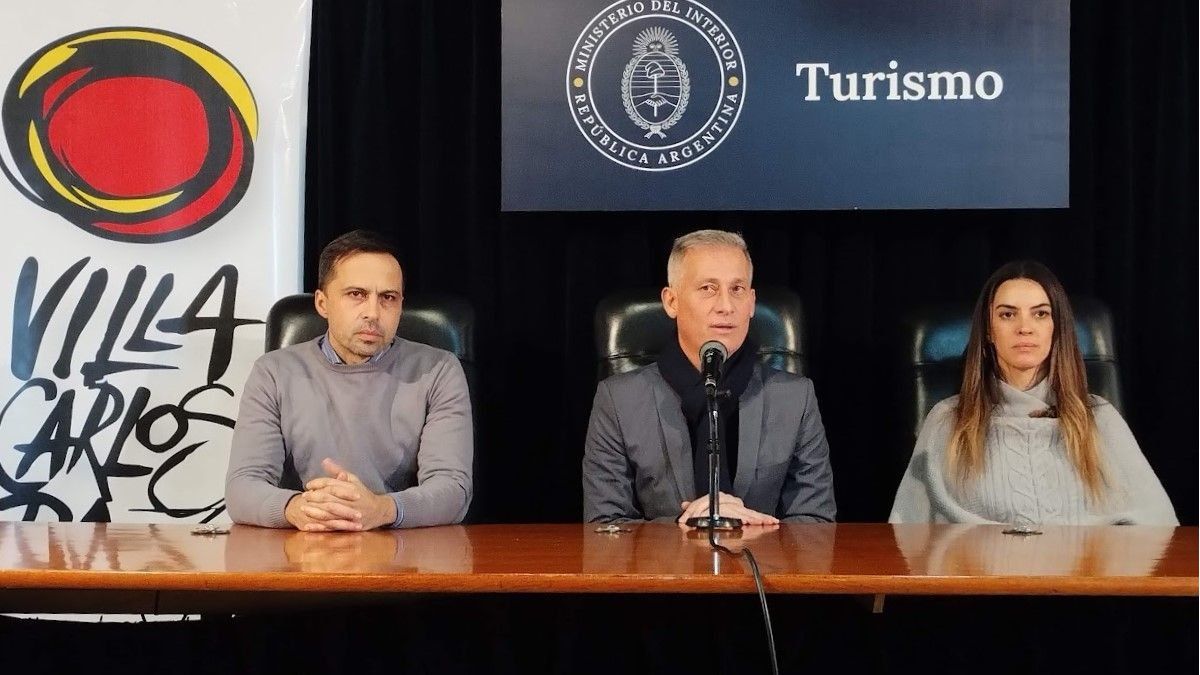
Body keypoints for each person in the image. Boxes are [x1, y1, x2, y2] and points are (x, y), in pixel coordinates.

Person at [890, 260, 1176, 525]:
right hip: (978, 577)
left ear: (1056, 328)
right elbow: (905, 537)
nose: (1024, 328)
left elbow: (1161, 532)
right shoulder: (947, 420)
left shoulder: (1100, 419)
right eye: (1007, 314)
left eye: (1040, 314)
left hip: (1085, 576)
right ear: (989, 330)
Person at [582, 230, 836, 524]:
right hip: (664, 570)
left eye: (737, 289)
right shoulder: (618, 400)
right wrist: (694, 526)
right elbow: (604, 526)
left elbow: (817, 525)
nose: (726, 306)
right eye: (707, 288)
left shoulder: (796, 398)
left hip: (762, 568)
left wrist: (746, 526)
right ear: (671, 301)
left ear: (752, 302)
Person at [225, 230, 472, 530]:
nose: (373, 312)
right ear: (322, 303)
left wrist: (381, 509)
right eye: (356, 294)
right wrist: (298, 508)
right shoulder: (274, 372)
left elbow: (453, 490)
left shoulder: (438, 370)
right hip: (306, 550)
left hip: (404, 556)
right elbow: (242, 488)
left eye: (388, 298)